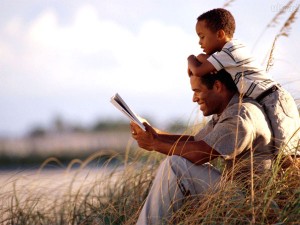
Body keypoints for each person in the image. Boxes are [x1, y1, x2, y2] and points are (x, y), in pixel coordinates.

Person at [131, 69, 274, 224]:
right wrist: (156, 134)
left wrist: (154, 144)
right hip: (237, 194)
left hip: (251, 203)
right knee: (176, 164)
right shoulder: (228, 111)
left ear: (218, 86)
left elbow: (201, 153)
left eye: (197, 91)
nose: (194, 98)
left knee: (176, 166)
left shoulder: (241, 116)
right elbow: (195, 141)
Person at [187, 8, 300, 155]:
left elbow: (198, 70)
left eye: (202, 37)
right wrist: (199, 60)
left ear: (220, 34)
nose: (199, 42)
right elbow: (203, 62)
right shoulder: (230, 51)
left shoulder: (229, 52)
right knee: (277, 151)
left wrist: (189, 58)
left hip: (274, 100)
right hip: (267, 99)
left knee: (285, 154)